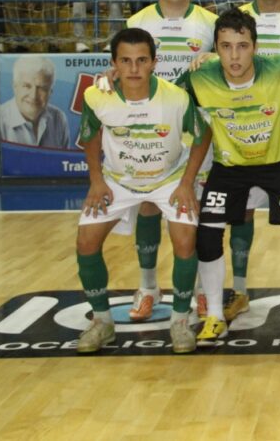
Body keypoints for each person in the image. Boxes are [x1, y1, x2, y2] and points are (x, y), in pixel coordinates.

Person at [178, 8, 280, 347]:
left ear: (255, 47)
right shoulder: (200, 76)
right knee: (207, 235)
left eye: (242, 46)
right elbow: (154, 92)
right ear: (215, 48)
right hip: (230, 167)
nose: (234, 56)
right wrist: (114, 76)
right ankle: (214, 315)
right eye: (225, 46)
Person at [75, 27, 210, 354]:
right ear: (114, 63)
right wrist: (96, 180)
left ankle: (180, 321)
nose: (134, 68)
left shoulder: (176, 97)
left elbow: (202, 135)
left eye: (141, 60)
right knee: (86, 242)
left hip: (168, 180)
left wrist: (186, 183)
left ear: (154, 62)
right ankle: (103, 322)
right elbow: (90, 136)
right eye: (126, 61)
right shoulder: (97, 95)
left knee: (185, 241)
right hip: (118, 181)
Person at [119, 0, 217, 320]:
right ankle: (148, 286)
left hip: (197, 127)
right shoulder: (137, 21)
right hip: (150, 129)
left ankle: (201, 290)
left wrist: (213, 57)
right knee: (147, 205)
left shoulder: (210, 22)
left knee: (197, 208)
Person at [0, 56, 70, 147]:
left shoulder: (59, 119)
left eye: (42, 88)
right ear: (15, 87)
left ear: (50, 92)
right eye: (27, 86)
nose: (34, 96)